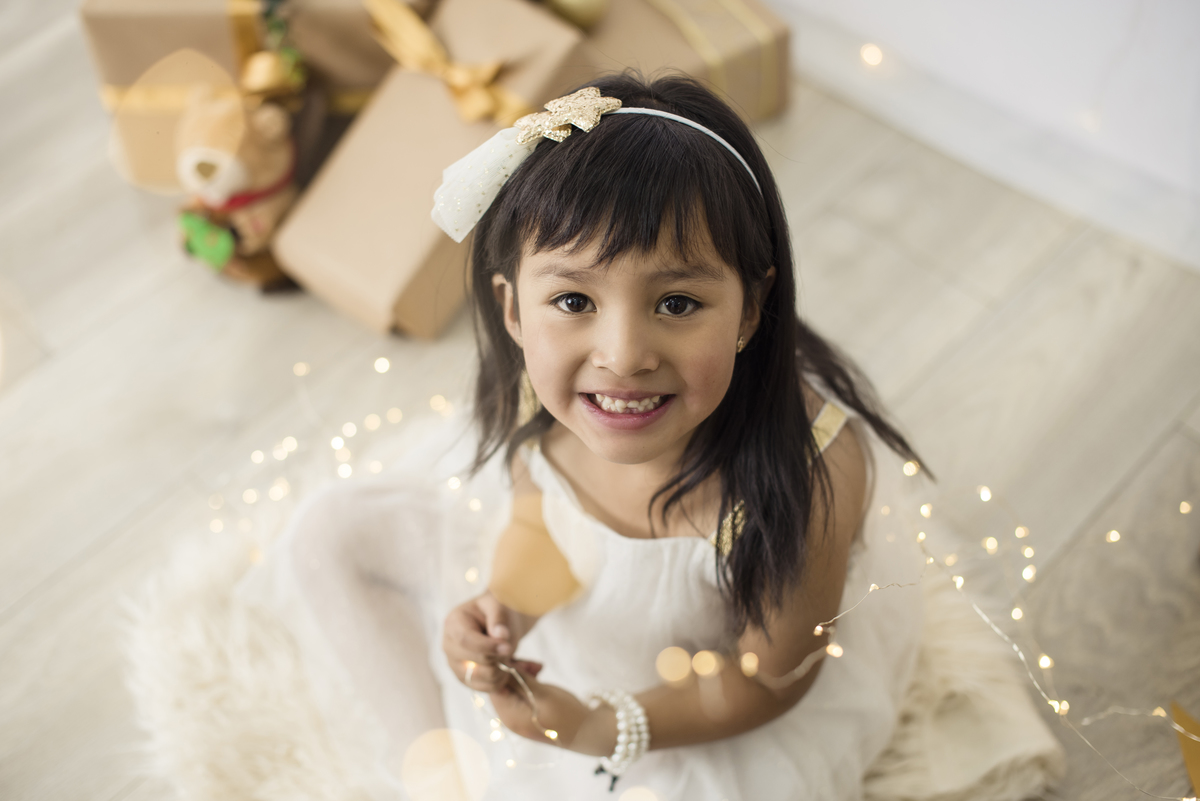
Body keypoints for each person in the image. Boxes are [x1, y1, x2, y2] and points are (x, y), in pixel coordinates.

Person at [243, 74, 1062, 800]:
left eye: (676, 303)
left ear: (749, 308)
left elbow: (768, 679)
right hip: (587, 617)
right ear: (512, 310)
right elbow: (540, 515)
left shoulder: (798, 478)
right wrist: (506, 609)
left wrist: (607, 726)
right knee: (331, 532)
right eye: (574, 301)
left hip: (697, 703)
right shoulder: (546, 391)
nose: (624, 354)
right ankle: (437, 768)